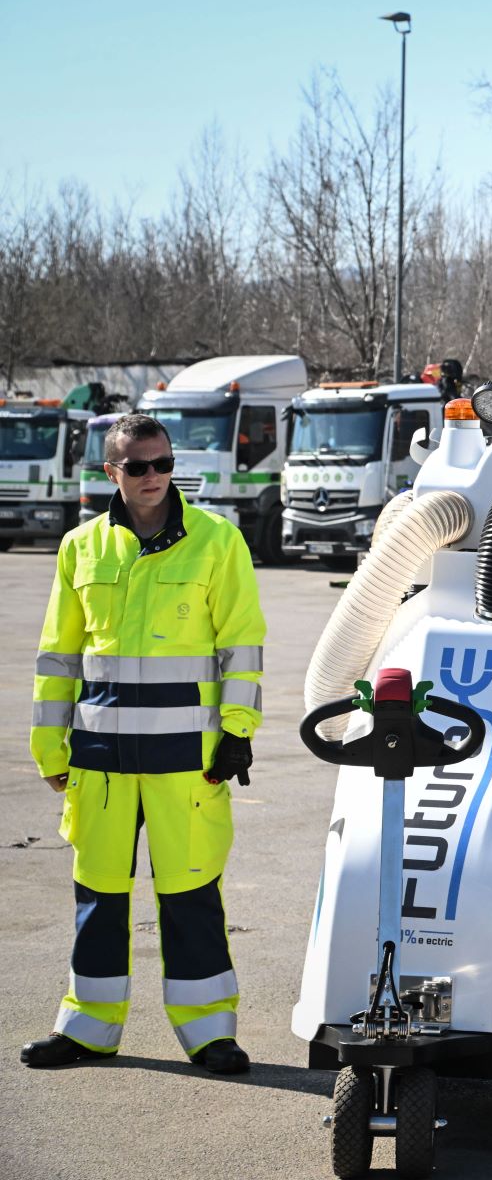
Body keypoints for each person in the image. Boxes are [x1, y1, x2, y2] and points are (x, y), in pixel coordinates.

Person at [22, 412, 265, 1073]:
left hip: (188, 761)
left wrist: (238, 733)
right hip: (98, 761)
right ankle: (88, 1030)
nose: (154, 477)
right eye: (139, 466)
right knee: (98, 897)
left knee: (190, 897)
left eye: (163, 464)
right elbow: (58, 658)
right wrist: (50, 751)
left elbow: (241, 644)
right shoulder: (81, 547)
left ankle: (210, 1034)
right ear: (112, 472)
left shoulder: (218, 542)